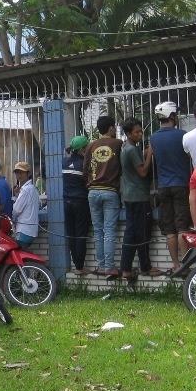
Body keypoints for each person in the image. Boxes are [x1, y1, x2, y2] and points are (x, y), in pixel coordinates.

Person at [150, 101, 192, 274]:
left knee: (169, 228)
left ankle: (175, 264)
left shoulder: (153, 137)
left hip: (163, 187)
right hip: (181, 184)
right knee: (182, 226)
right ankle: (186, 264)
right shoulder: (182, 135)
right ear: (172, 116)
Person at [119, 118, 161, 279]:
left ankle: (126, 268)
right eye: (137, 132)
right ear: (128, 133)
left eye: (141, 131)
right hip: (139, 197)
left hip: (130, 196)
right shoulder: (132, 149)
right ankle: (145, 267)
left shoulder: (125, 147)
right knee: (143, 233)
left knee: (131, 233)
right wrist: (149, 154)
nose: (140, 134)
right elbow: (143, 172)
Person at [84, 116, 123, 277]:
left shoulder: (91, 145)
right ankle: (110, 267)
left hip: (93, 191)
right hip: (110, 191)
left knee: (98, 230)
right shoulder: (118, 144)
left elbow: (85, 169)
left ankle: (101, 266)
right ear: (112, 128)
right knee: (109, 230)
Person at [62, 136, 91, 274]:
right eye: (86, 148)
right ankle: (79, 267)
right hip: (80, 202)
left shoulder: (65, 162)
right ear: (81, 149)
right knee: (80, 234)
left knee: (72, 235)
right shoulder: (85, 163)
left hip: (66, 202)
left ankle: (75, 265)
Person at [11, 162, 39, 250]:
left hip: (24, 231)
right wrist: (17, 196)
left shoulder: (26, 190)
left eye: (22, 172)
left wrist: (15, 199)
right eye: (17, 173)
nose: (19, 175)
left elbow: (16, 211)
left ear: (28, 173)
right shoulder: (32, 189)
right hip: (31, 231)